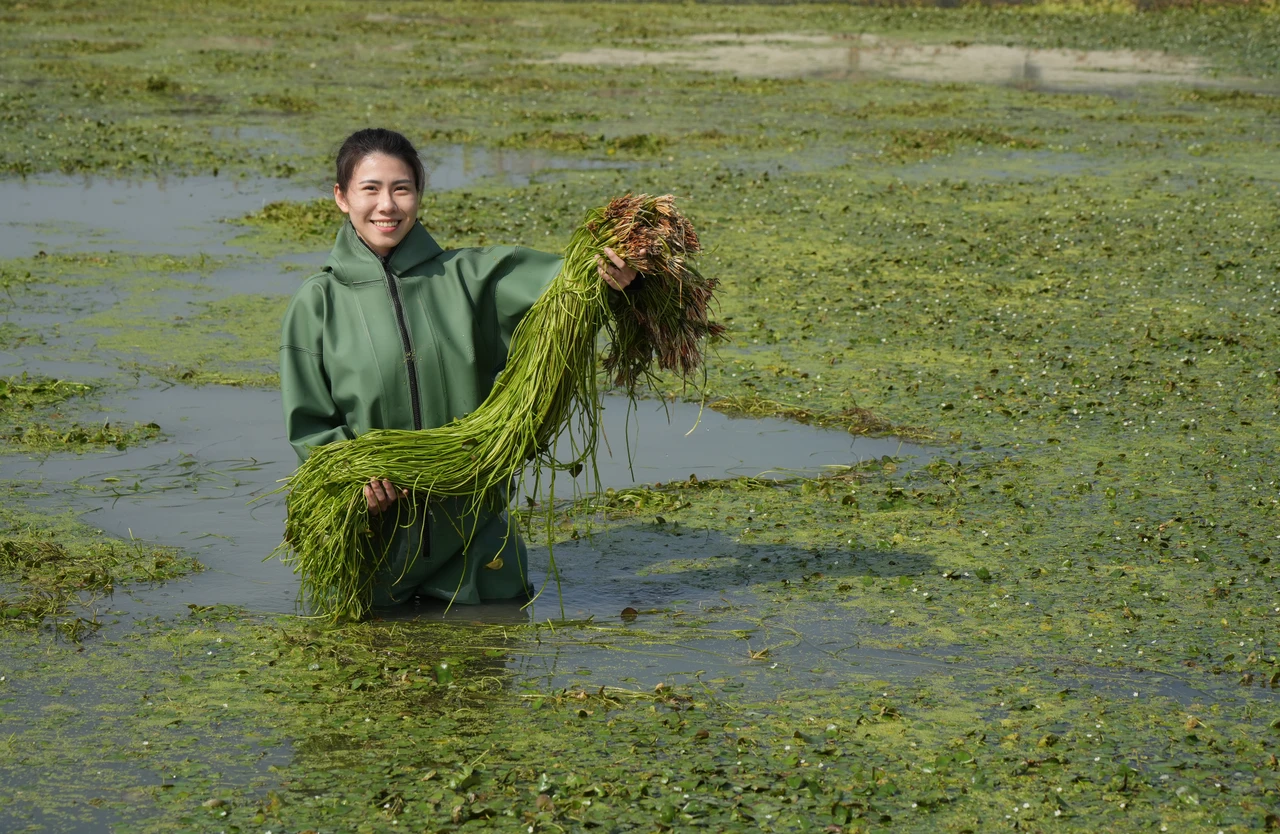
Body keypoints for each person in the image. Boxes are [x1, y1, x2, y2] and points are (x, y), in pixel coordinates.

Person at [279, 128, 636, 608]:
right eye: (370, 189)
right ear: (342, 198)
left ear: (419, 196)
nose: (387, 205)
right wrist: (356, 479)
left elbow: (563, 286)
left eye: (401, 188)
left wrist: (609, 272)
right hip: (375, 547)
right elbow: (311, 423)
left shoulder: (470, 278)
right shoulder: (317, 303)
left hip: (478, 547)